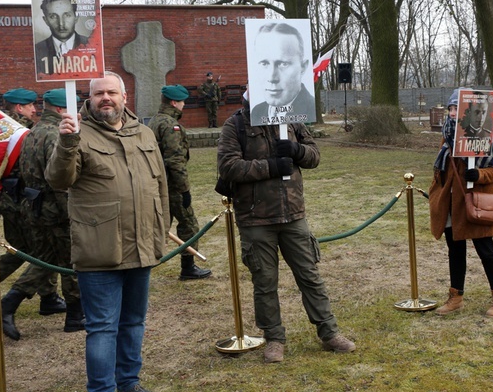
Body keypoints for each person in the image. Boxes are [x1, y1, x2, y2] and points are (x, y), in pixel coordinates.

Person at [45, 71, 167, 392]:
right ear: (89, 98)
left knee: (133, 323)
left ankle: (128, 382)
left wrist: (161, 231)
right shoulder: (78, 134)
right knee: (102, 329)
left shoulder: (144, 133)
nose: (106, 98)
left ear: (125, 97)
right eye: (99, 93)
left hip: (141, 247)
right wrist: (67, 142)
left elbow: (160, 188)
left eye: (112, 92)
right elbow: (59, 179)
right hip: (100, 251)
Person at [217, 90, 355, 363]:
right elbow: (229, 166)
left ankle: (329, 333)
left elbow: (314, 156)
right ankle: (274, 339)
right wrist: (271, 166)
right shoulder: (235, 125)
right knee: (265, 282)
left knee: (310, 276)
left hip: (293, 215)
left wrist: (296, 150)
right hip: (256, 218)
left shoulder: (292, 119)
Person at [0, 88, 66, 340]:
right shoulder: (15, 131)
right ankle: (7, 301)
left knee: (25, 251)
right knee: (43, 252)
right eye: (30, 105)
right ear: (18, 108)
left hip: (11, 201)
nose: (35, 109)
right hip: (24, 201)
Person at [429, 89, 493, 318]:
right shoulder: (448, 133)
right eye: (450, 109)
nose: (453, 113)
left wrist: (480, 175)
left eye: (457, 109)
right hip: (451, 201)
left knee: (486, 251)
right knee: (455, 249)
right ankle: (456, 296)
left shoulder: (486, 134)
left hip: (476, 202)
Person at [18, 88, 85, 334]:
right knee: (70, 261)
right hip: (55, 208)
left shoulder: (33, 131)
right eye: (72, 108)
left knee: (45, 256)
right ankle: (75, 315)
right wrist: (71, 213)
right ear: (60, 109)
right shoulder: (56, 134)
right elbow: (59, 181)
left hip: (34, 204)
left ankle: (47, 300)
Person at [148, 84, 211, 280]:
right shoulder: (171, 125)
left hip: (159, 183)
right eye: (182, 102)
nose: (184, 105)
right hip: (172, 185)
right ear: (174, 103)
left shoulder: (154, 121)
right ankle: (188, 267)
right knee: (189, 224)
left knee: (160, 225)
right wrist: (184, 190)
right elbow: (174, 159)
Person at [250, 22, 315, 124]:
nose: (272, 77)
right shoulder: (256, 112)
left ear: (303, 67)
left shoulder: (310, 110)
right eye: (264, 63)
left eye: (283, 64)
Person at [35, 0, 89, 76]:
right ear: (46, 20)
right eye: (53, 16)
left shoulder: (90, 44)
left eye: (67, 15)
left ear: (76, 17)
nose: (61, 23)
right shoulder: (37, 50)